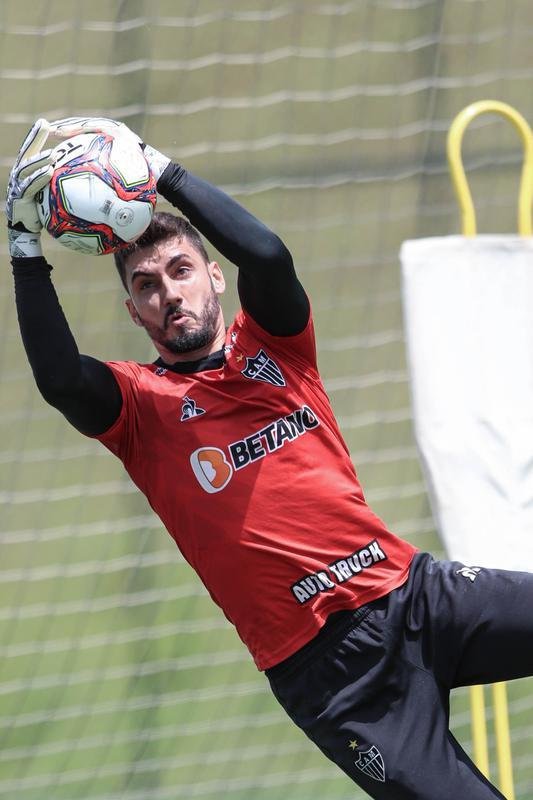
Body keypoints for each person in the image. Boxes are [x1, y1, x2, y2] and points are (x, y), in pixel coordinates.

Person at [7, 117, 533, 800]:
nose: (168, 292)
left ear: (214, 280)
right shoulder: (139, 407)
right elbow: (59, 380)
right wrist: (23, 247)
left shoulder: (276, 347)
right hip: (333, 678)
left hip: (414, 597)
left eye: (180, 270)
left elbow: (270, 257)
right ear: (134, 313)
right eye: (145, 285)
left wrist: (159, 168)